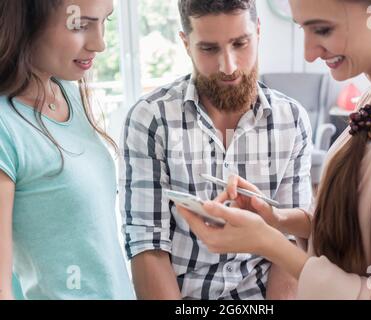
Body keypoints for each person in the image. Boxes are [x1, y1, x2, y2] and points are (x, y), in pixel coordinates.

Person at [178, 0, 371, 299]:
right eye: (304, 29)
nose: (308, 54)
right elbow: (358, 228)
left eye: (323, 29)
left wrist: (270, 243)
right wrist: (276, 219)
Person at [119, 0, 313, 300]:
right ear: (186, 44)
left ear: (258, 32)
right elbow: (147, 245)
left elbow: (289, 245)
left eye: (240, 43)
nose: (229, 66)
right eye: (209, 49)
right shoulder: (151, 119)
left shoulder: (292, 119)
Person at [0, 0, 134, 300]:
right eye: (80, 25)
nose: (99, 44)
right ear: (26, 21)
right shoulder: (5, 127)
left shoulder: (68, 93)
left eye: (105, 22)